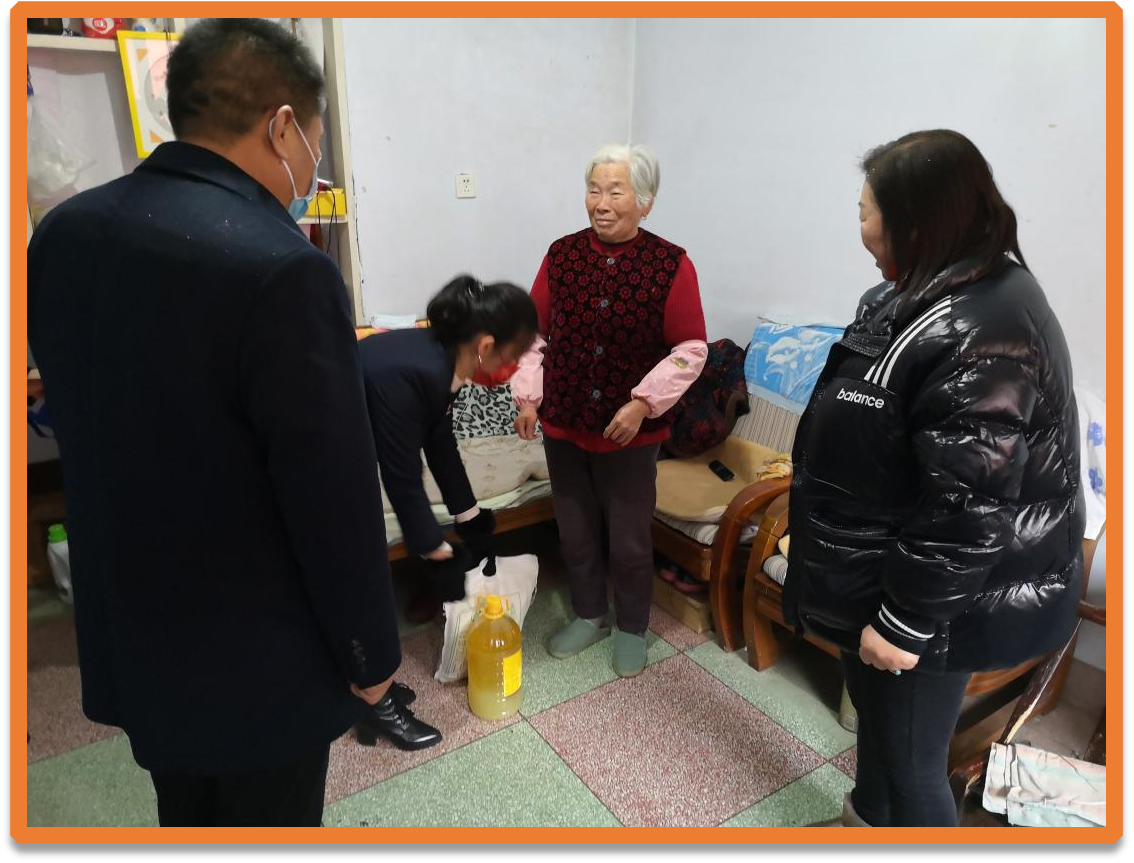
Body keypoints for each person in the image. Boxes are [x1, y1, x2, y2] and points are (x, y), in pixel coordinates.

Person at [27, 18, 401, 827]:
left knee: (186, 809)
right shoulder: (282, 267)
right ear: (282, 126)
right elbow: (331, 494)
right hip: (255, 657)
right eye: (317, 142)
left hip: (134, 632)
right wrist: (370, 652)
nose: (314, 165)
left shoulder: (64, 232)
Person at [784, 129, 1085, 827]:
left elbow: (969, 503)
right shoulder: (924, 290)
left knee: (915, 766)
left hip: (937, 602)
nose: (861, 229)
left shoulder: (982, 330)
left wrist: (906, 620)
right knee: (881, 735)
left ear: (917, 223)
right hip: (886, 569)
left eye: (867, 212)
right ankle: (865, 817)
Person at [512, 143, 708, 679]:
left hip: (630, 435)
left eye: (615, 192)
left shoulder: (671, 263)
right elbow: (532, 333)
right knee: (574, 532)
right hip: (564, 424)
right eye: (593, 190)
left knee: (629, 540)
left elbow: (691, 348)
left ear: (645, 201)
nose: (600, 203)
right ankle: (589, 614)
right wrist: (528, 396)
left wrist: (643, 403)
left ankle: (632, 627)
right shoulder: (562, 254)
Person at [356, 275, 537, 748]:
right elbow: (401, 474)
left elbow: (438, 444)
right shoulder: (413, 371)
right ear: (487, 346)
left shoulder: (441, 362)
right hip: (321, 458)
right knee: (362, 579)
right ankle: (373, 704)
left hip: (347, 453)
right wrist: (434, 549)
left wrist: (469, 516)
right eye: (514, 356)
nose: (514, 368)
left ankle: (373, 686)